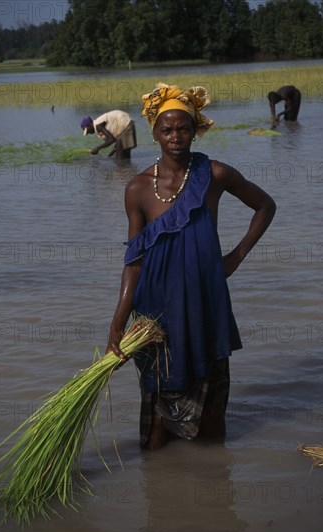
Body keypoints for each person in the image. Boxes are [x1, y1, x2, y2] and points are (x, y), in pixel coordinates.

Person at [106, 83, 276, 450]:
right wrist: (118, 320)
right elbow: (133, 261)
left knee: (212, 418)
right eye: (166, 129)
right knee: (155, 418)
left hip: (204, 303)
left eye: (183, 127)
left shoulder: (215, 174)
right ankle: (157, 485)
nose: (176, 136)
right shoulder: (136, 189)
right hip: (156, 313)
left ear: (196, 129)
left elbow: (265, 206)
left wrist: (235, 257)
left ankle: (213, 484)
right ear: (154, 132)